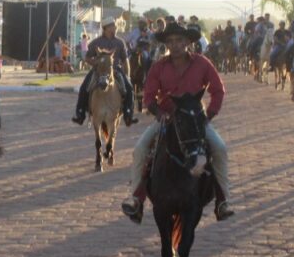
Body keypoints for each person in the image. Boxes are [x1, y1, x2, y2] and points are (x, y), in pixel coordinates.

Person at [122, 22, 235, 221]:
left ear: (187, 42)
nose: (174, 45)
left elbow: (218, 90)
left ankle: (222, 200)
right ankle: (136, 199)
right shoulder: (158, 67)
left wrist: (208, 115)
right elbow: (149, 97)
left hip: (194, 120)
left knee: (219, 148)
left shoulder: (202, 63)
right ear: (166, 44)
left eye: (179, 40)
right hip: (167, 117)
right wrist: (159, 113)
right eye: (170, 41)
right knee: (140, 149)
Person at [71, 16, 139, 127]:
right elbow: (87, 57)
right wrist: (96, 63)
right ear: (105, 28)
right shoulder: (96, 42)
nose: (115, 28)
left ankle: (128, 115)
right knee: (84, 87)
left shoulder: (120, 42)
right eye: (112, 26)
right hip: (98, 71)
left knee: (129, 88)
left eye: (115, 26)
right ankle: (80, 114)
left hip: (115, 70)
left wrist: (128, 76)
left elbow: (125, 61)